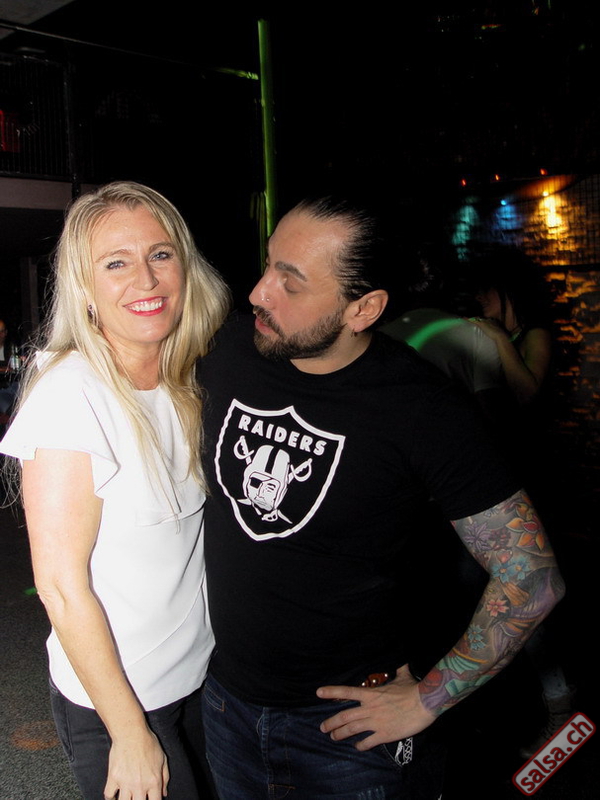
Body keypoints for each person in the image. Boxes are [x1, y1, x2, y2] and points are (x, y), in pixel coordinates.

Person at [199, 196, 565, 799]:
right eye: (267, 265)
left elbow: (531, 575)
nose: (259, 292)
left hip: (350, 735)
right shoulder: (229, 351)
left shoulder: (421, 407)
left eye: (291, 281)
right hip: (225, 706)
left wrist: (427, 699)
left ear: (363, 308)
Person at [0, 181, 229, 800]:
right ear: (85, 288)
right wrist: (129, 734)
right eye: (116, 263)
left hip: (201, 682)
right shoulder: (72, 394)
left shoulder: (189, 378)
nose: (146, 279)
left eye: (161, 254)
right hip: (119, 705)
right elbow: (60, 587)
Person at [467, 249, 552, 406]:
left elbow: (527, 395)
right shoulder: (491, 333)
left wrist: (500, 338)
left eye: (486, 289)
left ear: (508, 288)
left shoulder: (537, 334)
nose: (479, 297)